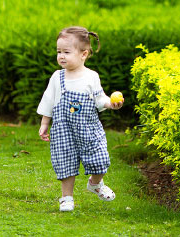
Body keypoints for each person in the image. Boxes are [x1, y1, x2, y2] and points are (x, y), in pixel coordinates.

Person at [37, 26, 124, 211]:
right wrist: (45, 123)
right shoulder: (57, 77)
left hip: (88, 129)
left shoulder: (91, 77)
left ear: (83, 54)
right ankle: (66, 198)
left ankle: (95, 183)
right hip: (63, 131)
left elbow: (100, 99)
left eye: (66, 52)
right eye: (59, 52)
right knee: (65, 164)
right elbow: (49, 100)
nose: (61, 56)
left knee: (99, 160)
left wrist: (111, 104)